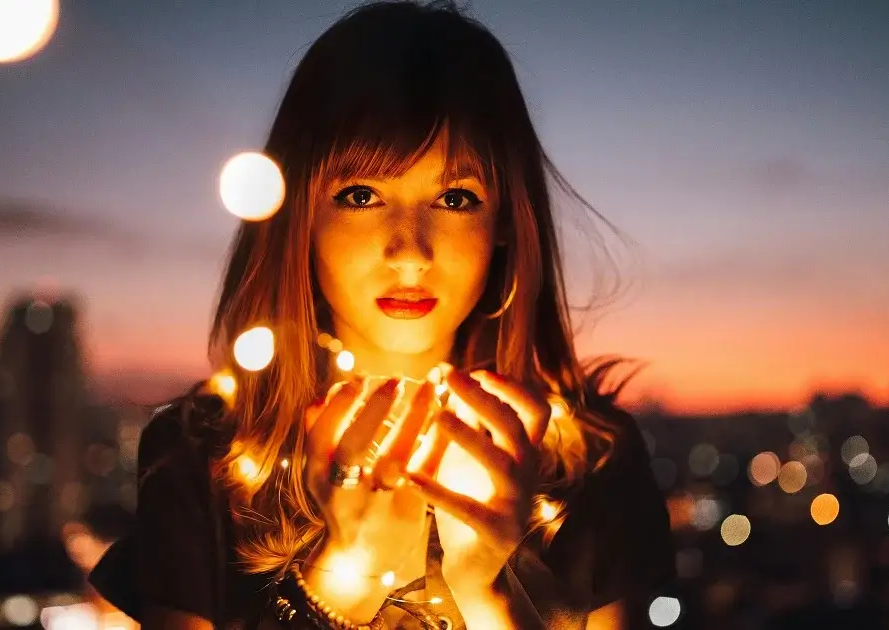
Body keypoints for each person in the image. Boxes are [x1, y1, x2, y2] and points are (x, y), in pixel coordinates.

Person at [89, 1, 674, 628]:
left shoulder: (591, 463)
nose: (410, 253)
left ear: (506, 218)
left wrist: (486, 596)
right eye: (361, 195)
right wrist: (342, 583)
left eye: (455, 198)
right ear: (301, 216)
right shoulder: (205, 459)